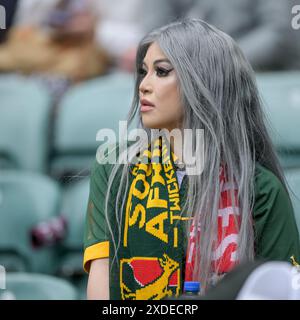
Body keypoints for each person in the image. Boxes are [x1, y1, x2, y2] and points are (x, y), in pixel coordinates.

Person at [83, 19, 300, 300]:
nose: (143, 85)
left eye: (161, 72)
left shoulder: (261, 188)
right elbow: (100, 281)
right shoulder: (115, 166)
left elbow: (281, 288)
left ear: (204, 81)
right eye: (142, 72)